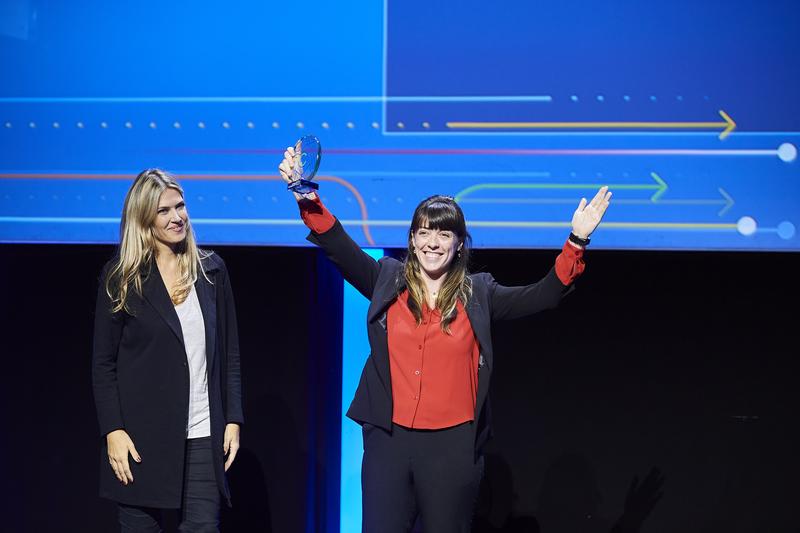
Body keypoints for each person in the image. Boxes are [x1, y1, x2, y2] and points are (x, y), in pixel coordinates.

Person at [278, 146, 612, 532]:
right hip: (389, 440)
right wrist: (304, 192)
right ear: (412, 239)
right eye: (423, 232)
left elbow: (545, 294)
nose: (432, 242)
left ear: (458, 244)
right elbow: (338, 244)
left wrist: (576, 241)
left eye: (443, 233)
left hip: (453, 448)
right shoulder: (386, 279)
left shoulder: (480, 294)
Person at [92, 168, 243, 532]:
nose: (178, 217)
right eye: (164, 210)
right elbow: (103, 364)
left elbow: (230, 355)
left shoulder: (211, 271)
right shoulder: (122, 279)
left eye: (181, 206)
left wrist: (234, 418)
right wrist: (114, 430)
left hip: (202, 434)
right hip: (141, 440)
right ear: (144, 218)